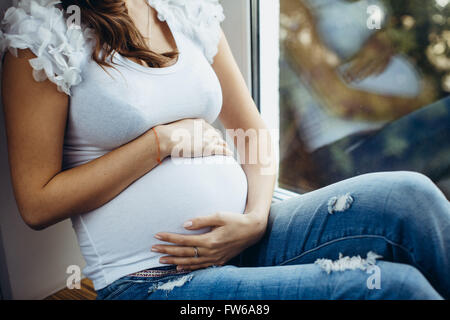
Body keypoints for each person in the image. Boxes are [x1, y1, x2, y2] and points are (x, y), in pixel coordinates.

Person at [1, 0, 449, 300]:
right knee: (392, 289)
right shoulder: (43, 36)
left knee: (411, 197)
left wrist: (254, 220)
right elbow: (37, 202)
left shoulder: (182, 9)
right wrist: (160, 142)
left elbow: (250, 128)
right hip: (151, 283)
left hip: (247, 238)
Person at [279, 0, 450, 194]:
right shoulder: (290, 6)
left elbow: (377, 23)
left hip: (385, 135)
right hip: (351, 151)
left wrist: (386, 37)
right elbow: (340, 102)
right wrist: (421, 104)